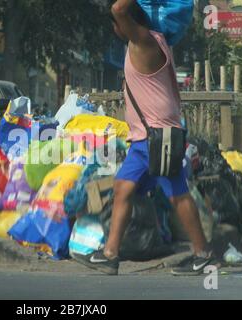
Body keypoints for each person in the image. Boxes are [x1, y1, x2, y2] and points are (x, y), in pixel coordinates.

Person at [72, 0, 218, 276]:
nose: (115, 29)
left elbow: (118, 9)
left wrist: (125, 10)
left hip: (159, 136)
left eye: (118, 25)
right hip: (143, 140)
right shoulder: (148, 41)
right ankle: (110, 255)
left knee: (177, 195)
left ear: (129, 23)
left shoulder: (145, 42)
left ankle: (203, 254)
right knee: (123, 189)